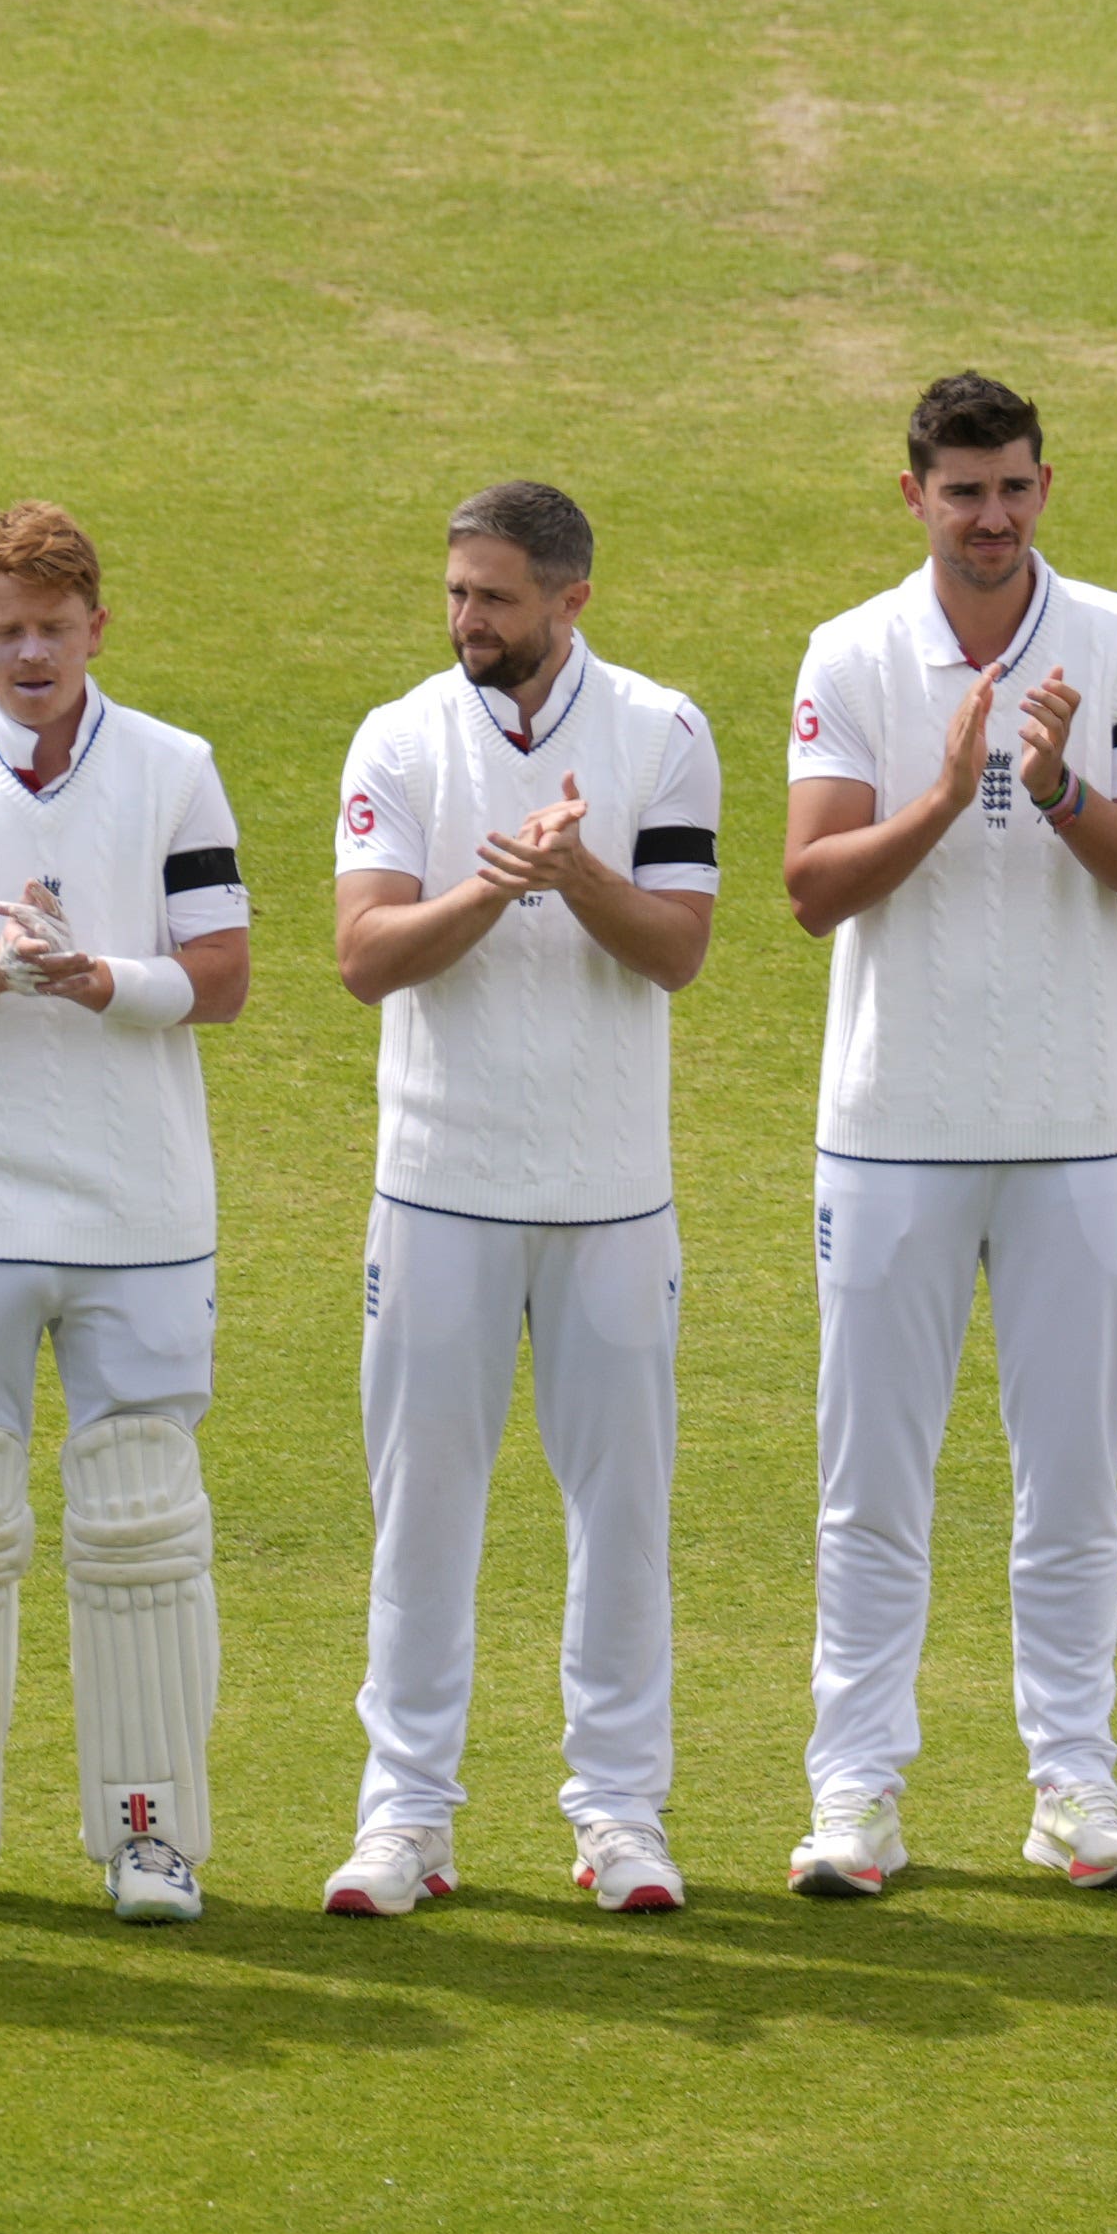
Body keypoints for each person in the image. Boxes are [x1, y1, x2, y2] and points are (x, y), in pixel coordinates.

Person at [780, 373, 1117, 1897]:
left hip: (1082, 1125)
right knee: (871, 1482)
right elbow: (814, 883)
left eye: (1014, 487)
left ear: (1043, 485)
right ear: (915, 498)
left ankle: (1073, 1781)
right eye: (962, 492)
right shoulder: (851, 651)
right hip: (893, 1123)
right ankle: (855, 1793)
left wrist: (1062, 786)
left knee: (1071, 1477)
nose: (991, 517)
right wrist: (952, 795)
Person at [0, 502, 252, 1924]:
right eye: (2, 630)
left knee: (142, 1521)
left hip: (139, 1215)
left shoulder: (177, 772)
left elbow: (225, 971)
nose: (28, 652)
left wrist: (99, 983)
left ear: (95, 631)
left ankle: (151, 1838)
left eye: (52, 629)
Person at [321, 483, 722, 1920]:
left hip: (613, 1197)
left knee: (622, 1513)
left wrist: (576, 873)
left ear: (570, 602)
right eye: (455, 594)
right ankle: (403, 1820)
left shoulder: (665, 732)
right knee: (423, 1512)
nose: (466, 622)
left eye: (494, 598)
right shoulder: (401, 736)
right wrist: (495, 893)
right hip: (439, 1188)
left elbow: (676, 948)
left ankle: (620, 1814)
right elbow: (366, 956)